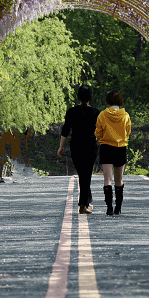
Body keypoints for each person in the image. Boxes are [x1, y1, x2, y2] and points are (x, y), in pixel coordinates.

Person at [57, 85, 100, 214]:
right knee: (86, 174)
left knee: (83, 174)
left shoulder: (71, 112)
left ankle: (86, 201)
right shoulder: (96, 113)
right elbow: (99, 132)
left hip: (76, 146)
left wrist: (61, 147)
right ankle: (83, 204)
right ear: (90, 98)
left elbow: (65, 130)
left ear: (78, 97)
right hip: (90, 146)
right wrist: (98, 142)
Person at [94, 90, 131, 216]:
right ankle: (118, 207)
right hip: (120, 147)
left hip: (106, 147)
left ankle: (109, 207)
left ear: (108, 101)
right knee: (119, 180)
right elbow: (128, 131)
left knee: (107, 179)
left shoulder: (102, 115)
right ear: (120, 100)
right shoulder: (125, 115)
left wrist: (100, 138)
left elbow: (98, 132)